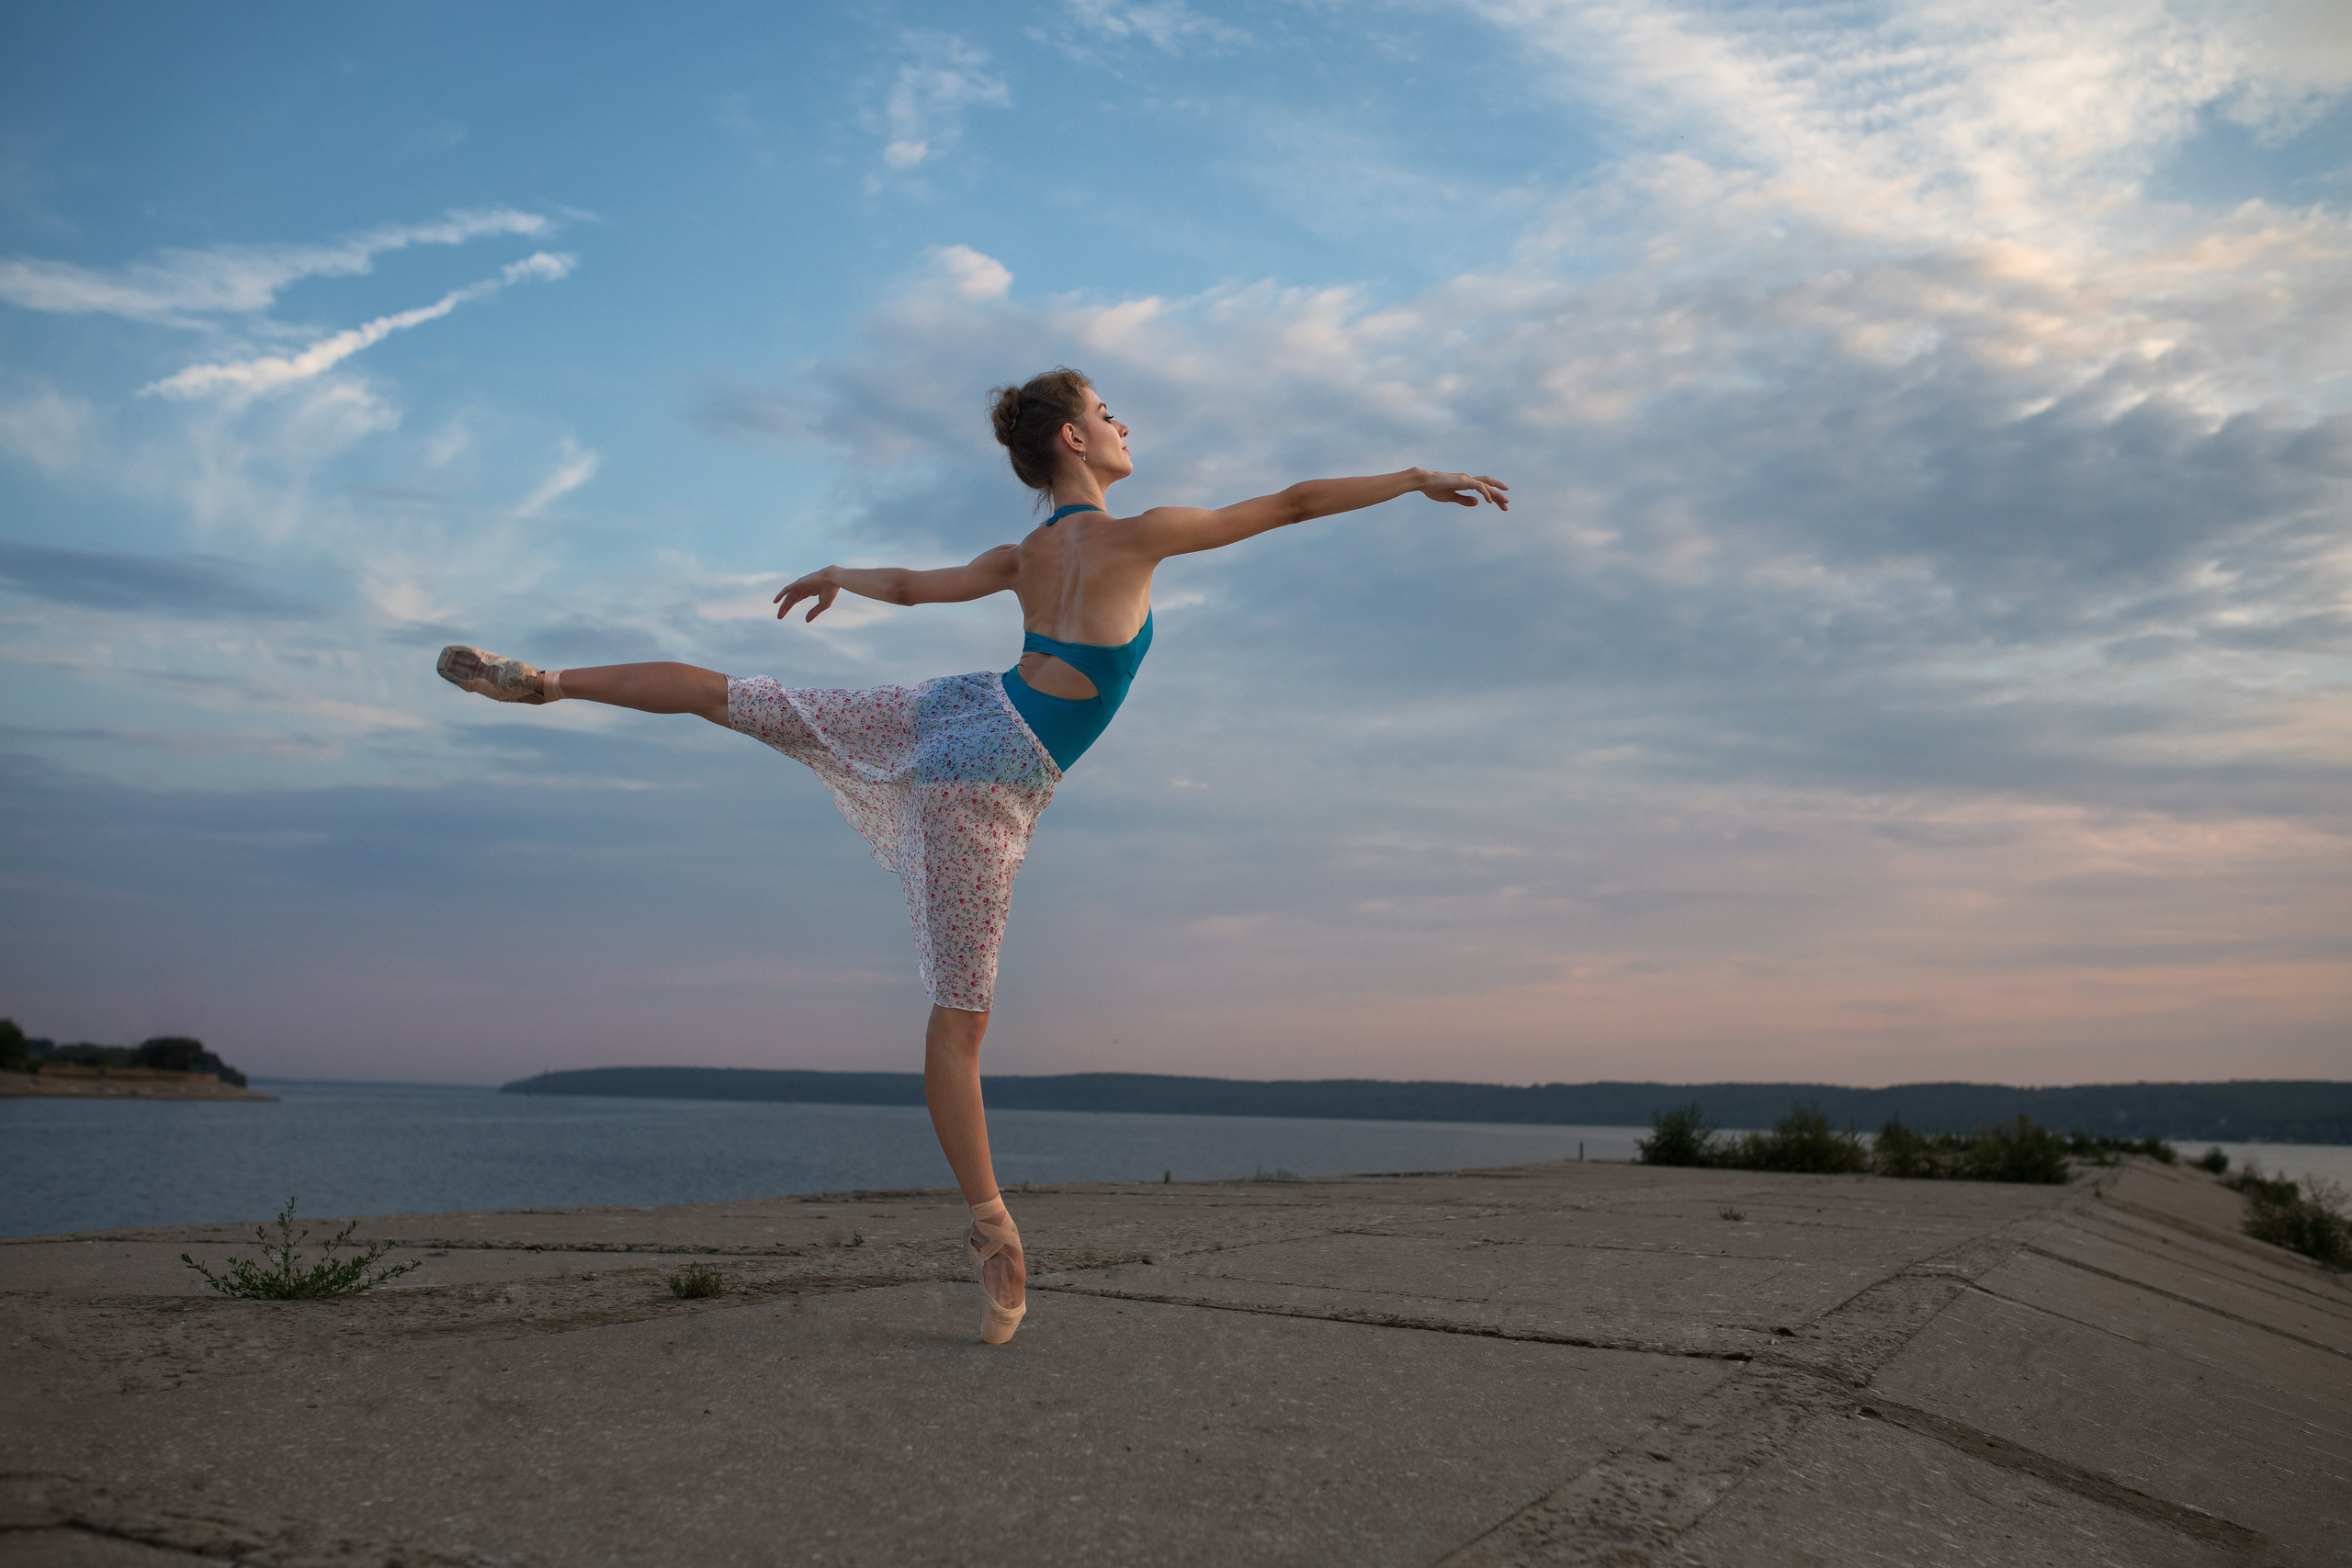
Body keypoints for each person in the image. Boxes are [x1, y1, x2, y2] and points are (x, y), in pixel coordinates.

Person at [437, 367, 1507, 1343]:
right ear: (1071, 442)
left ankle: (549, 682)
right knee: (960, 1022)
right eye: (1107, 412)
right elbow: (1291, 504)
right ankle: (994, 1233)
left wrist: (840, 572)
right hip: (989, 770)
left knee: (742, 697)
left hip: (960, 707)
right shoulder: (1138, 536)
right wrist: (1415, 476)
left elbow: (911, 584)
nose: (1124, 423)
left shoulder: (1024, 557)